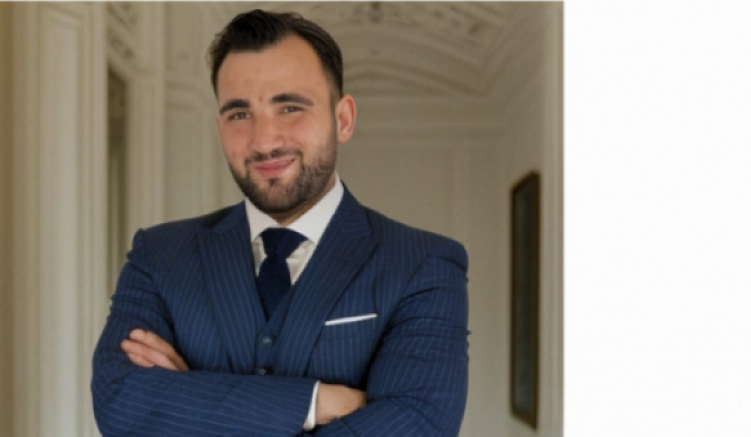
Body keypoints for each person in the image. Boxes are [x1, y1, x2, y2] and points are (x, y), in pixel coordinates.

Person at [92, 9, 469, 437]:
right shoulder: (159, 255)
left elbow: (419, 425)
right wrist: (315, 403)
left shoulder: (423, 264)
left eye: (290, 107)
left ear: (343, 120)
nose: (264, 140)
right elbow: (119, 404)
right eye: (239, 114)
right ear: (220, 127)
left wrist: (189, 404)